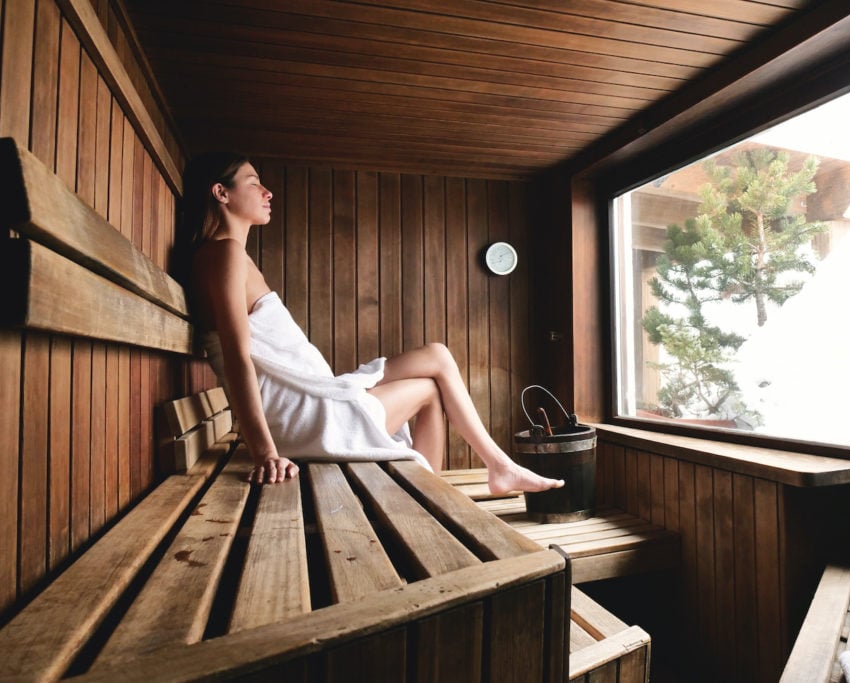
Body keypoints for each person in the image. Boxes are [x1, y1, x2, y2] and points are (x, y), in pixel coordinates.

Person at [175, 152, 564, 494]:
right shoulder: (224, 254)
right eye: (254, 183)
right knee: (430, 387)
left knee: (437, 356)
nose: (267, 192)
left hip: (316, 400)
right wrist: (265, 452)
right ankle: (453, 488)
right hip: (310, 418)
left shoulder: (227, 257)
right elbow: (238, 356)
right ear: (221, 193)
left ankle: (491, 471)